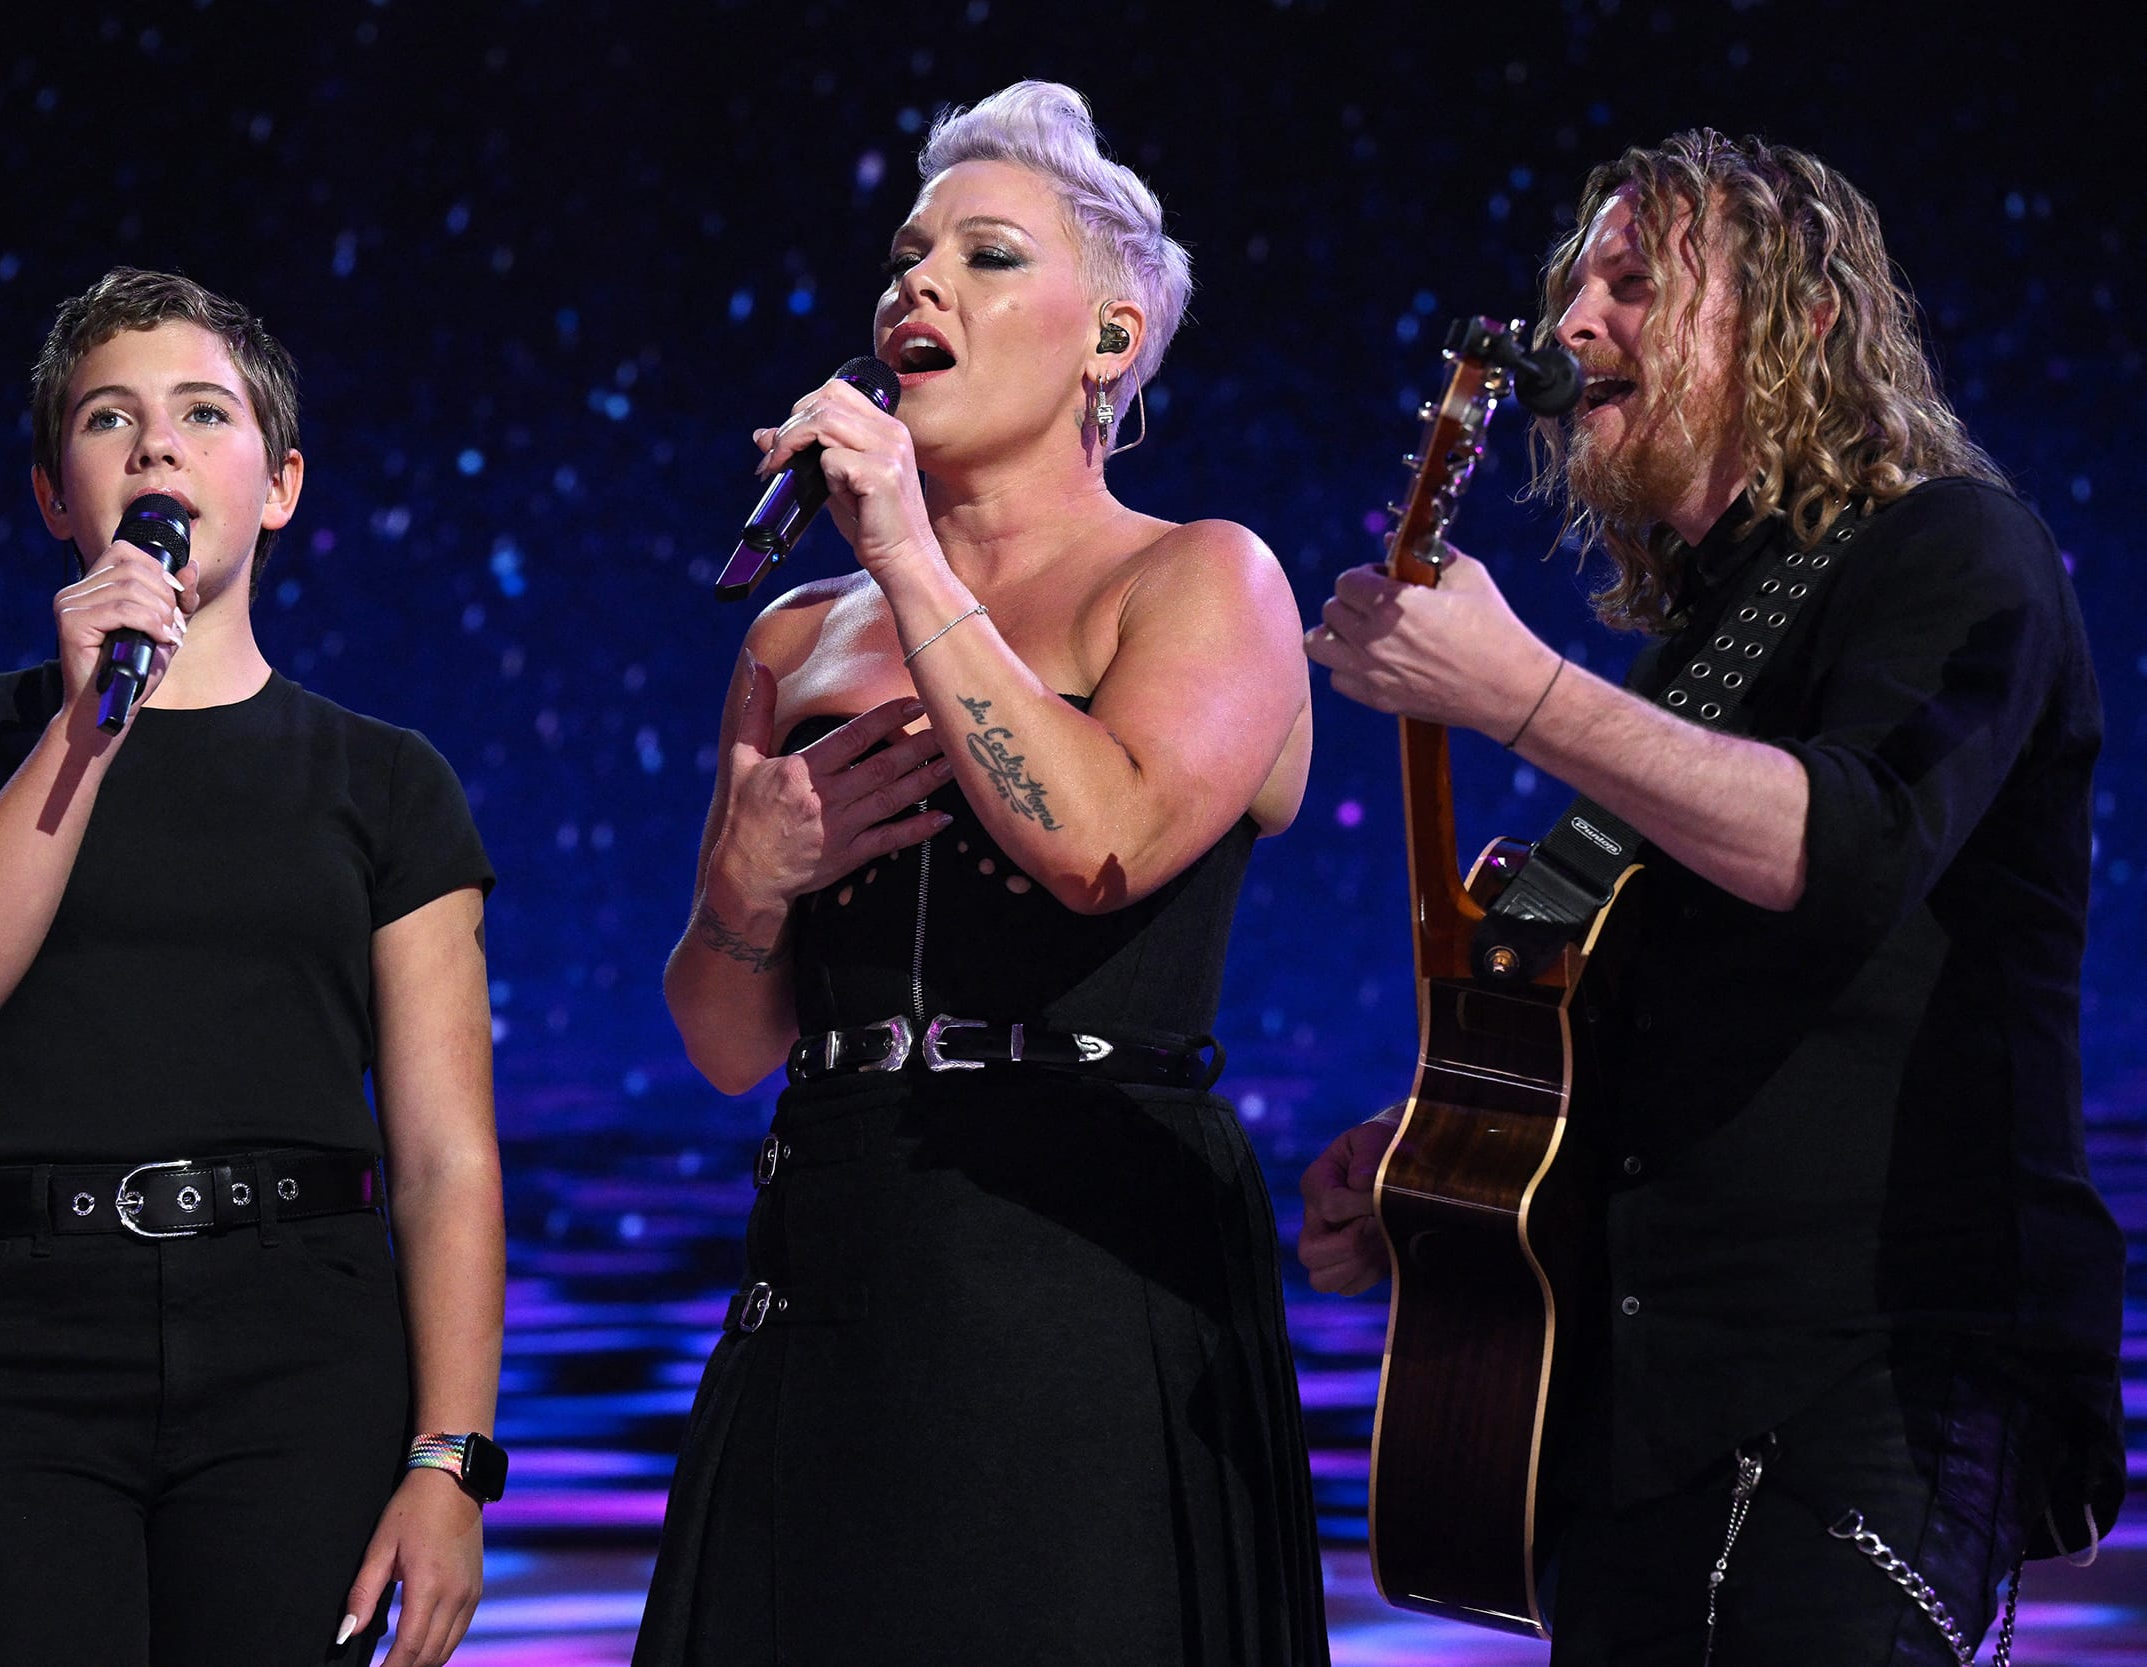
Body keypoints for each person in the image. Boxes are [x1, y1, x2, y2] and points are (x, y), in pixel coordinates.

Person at [1298, 131, 2126, 1665]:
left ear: (1800, 323)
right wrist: (1443, 1169)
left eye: (1632, 283)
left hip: (1855, 1389)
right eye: (1573, 290)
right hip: (1637, 1420)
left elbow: (1845, 853)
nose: (1572, 328)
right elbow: (1647, 1024)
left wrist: (1522, 691)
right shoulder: (1707, 645)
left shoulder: (1956, 546)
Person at [637, 81, 1325, 1666]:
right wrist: (744, 893)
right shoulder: (798, 638)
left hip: (1081, 1256)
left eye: (988, 255)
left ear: (1113, 336)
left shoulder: (1203, 576)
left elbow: (1102, 846)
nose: (916, 287)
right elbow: (727, 1039)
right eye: (907, 255)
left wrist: (905, 550)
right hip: (835, 1251)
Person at [0, 268, 507, 1667]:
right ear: (54, 494)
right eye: (109, 419)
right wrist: (90, 726)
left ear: (277, 484)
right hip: (20, 1346)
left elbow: (449, 1157)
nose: (154, 445)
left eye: (200, 413)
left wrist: (450, 1459)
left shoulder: (388, 783)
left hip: (301, 1342)